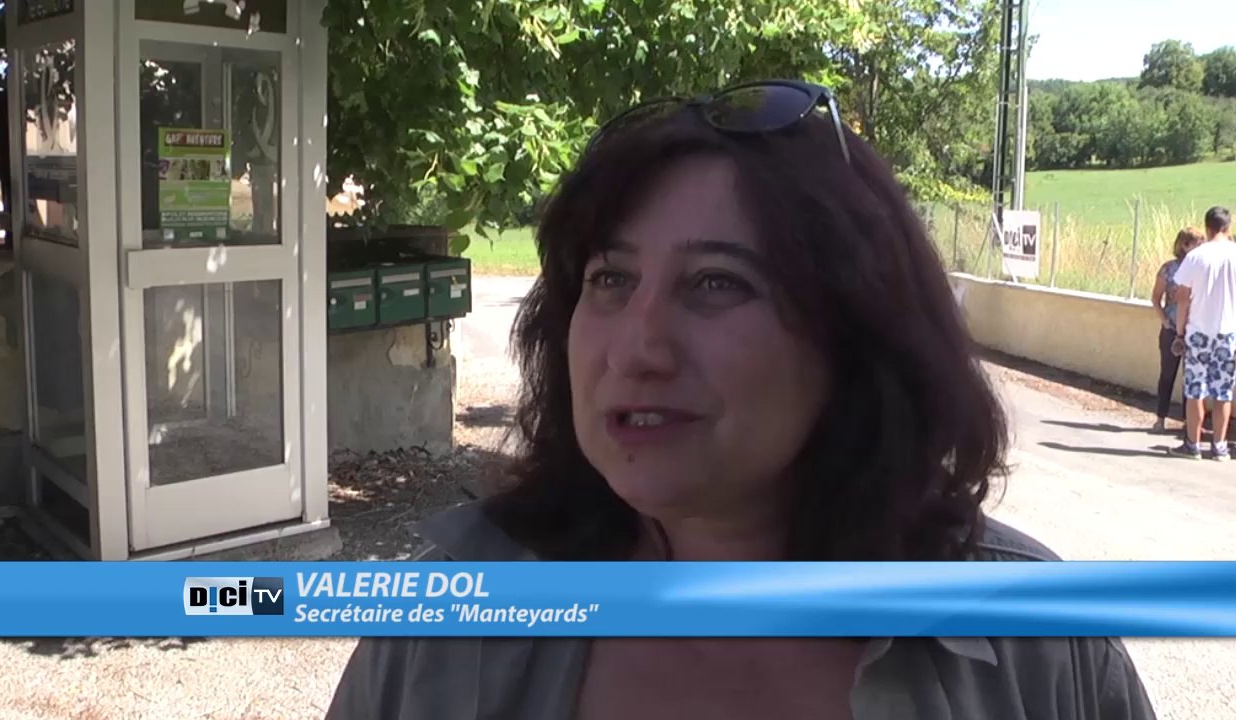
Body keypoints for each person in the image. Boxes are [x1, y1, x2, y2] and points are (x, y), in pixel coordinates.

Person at [325, 80, 1157, 719]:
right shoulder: (444, 624)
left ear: (853, 335)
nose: (638, 347)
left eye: (717, 283)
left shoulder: (1037, 642)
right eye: (610, 279)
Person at [1170, 206, 1236, 461]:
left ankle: (1193, 444)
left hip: (1198, 333)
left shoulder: (1195, 257)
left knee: (1195, 390)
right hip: (1227, 334)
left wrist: (1180, 331)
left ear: (1207, 227)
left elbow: (1182, 298)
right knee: (1223, 392)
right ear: (1228, 227)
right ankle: (1219, 446)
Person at [1151, 227, 1204, 431]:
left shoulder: (1202, 268)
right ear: (1184, 245)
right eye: (1197, 244)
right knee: (1167, 374)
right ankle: (1160, 417)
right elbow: (1156, 297)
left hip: (1194, 329)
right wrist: (1165, 321)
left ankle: (1188, 421)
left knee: (1190, 377)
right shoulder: (1169, 269)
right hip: (1172, 329)